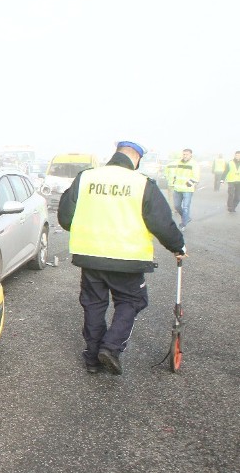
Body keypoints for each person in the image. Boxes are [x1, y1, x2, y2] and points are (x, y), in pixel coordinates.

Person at [58, 141, 186, 375]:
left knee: (94, 305)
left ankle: (93, 359)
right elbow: (162, 223)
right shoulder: (142, 183)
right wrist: (178, 246)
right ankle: (111, 347)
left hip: (90, 257)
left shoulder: (85, 178)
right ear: (136, 158)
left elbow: (65, 218)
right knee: (131, 301)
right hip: (128, 259)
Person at [166, 148, 200, 230]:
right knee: (176, 206)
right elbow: (175, 173)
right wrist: (174, 181)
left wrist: (189, 184)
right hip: (177, 188)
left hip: (187, 190)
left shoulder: (194, 164)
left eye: (187, 154)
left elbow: (196, 177)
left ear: (191, 155)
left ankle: (183, 224)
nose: (185, 156)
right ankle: (186, 218)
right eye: (184, 154)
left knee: (185, 207)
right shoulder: (179, 162)